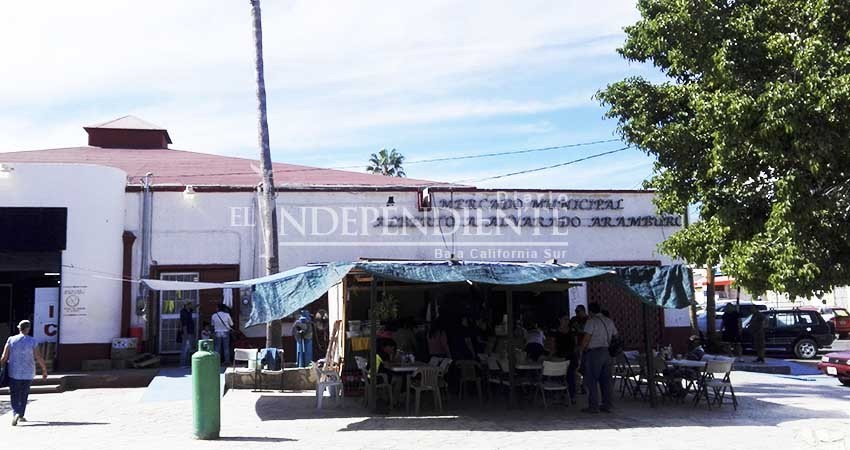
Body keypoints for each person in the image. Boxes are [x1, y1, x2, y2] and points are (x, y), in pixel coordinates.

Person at [1, 320, 48, 426]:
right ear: (28, 328)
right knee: (24, 393)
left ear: (19, 328)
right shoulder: (32, 341)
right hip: (28, 372)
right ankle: (21, 414)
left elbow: (4, 357)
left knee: (14, 394)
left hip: (14, 372)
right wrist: (44, 370)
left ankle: (16, 413)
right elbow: (38, 357)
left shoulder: (11, 339)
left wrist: (2, 366)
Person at [579, 302, 618, 414]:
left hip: (594, 353)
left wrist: (581, 350)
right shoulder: (609, 321)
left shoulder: (591, 322)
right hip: (607, 352)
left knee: (591, 380)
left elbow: (586, 338)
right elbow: (616, 335)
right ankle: (607, 405)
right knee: (606, 380)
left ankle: (593, 406)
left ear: (590, 311)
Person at [179, 302, 196, 367]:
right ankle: (183, 364)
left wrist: (198, 305)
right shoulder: (184, 312)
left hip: (190, 332)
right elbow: (184, 324)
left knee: (188, 348)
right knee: (184, 349)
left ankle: (187, 363)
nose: (191, 305)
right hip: (186, 332)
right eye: (190, 304)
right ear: (187, 305)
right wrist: (185, 334)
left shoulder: (189, 311)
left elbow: (193, 308)